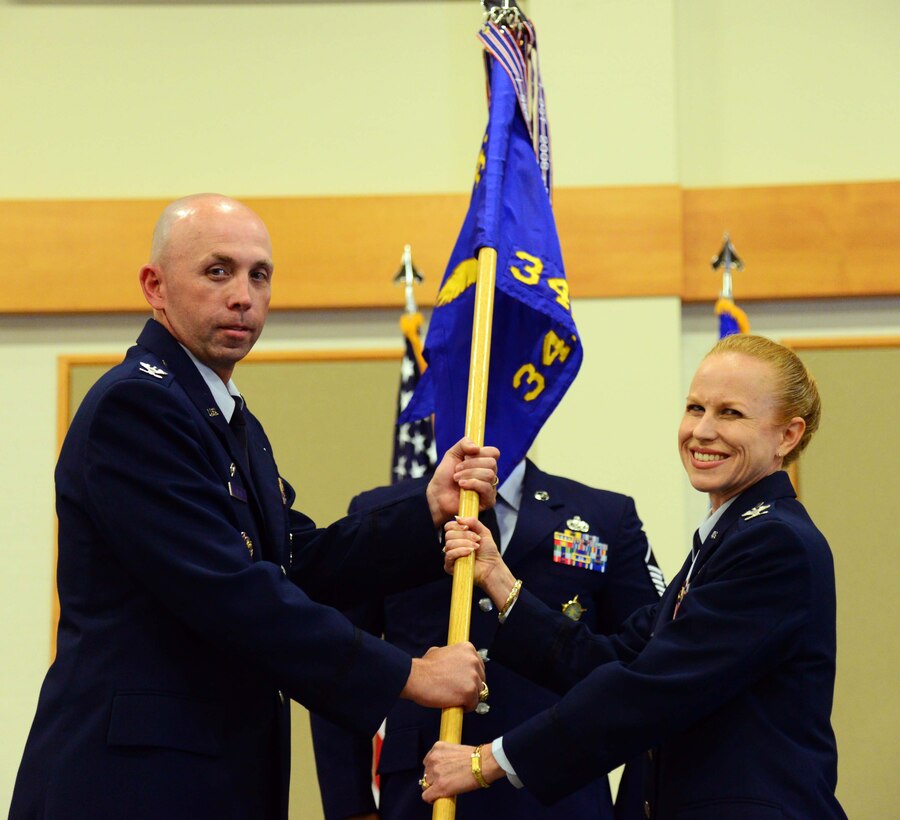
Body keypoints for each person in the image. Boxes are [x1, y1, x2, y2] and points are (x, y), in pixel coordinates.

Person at [9, 194, 500, 820]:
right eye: (218, 271)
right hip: (134, 783)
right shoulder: (135, 408)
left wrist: (425, 509)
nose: (243, 295)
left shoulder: (225, 416)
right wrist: (405, 674)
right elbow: (231, 591)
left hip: (210, 777)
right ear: (154, 286)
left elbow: (297, 558)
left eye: (258, 275)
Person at [423, 334, 847, 819]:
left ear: (787, 436)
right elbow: (609, 659)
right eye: (695, 408)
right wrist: (497, 579)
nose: (703, 431)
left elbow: (652, 687)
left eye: (731, 413)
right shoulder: (725, 541)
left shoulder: (775, 543)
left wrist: (488, 761)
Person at [310, 457, 665, 820]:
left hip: (559, 796)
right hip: (421, 792)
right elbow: (340, 662)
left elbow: (649, 671)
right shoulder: (387, 514)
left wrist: (640, 808)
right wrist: (350, 808)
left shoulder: (604, 515)